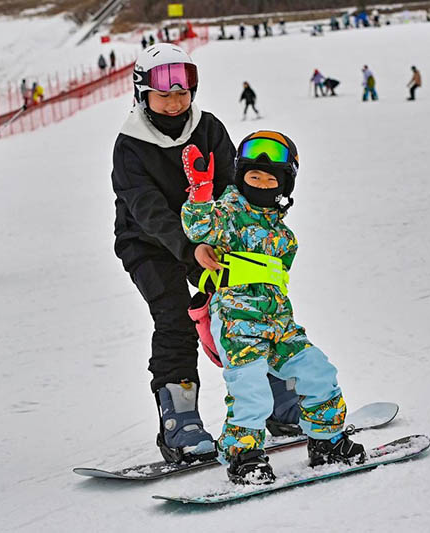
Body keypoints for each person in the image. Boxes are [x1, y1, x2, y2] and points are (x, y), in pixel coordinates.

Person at [110, 43, 302, 465]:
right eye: (165, 94)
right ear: (143, 94)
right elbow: (147, 210)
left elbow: (231, 186)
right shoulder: (130, 146)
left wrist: (241, 229)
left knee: (252, 303)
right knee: (174, 314)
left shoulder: (207, 127)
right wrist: (188, 247)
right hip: (149, 242)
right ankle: (180, 423)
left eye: (183, 92)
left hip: (211, 238)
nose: (176, 102)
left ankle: (283, 402)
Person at [180, 130, 364, 485]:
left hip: (279, 324)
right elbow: (199, 227)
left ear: (283, 186)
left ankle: (325, 441)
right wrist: (201, 195)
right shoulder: (227, 215)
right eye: (254, 176)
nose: (262, 183)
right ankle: (244, 455)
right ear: (240, 177)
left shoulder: (285, 238)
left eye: (270, 179)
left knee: (318, 371)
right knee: (250, 388)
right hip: (236, 319)